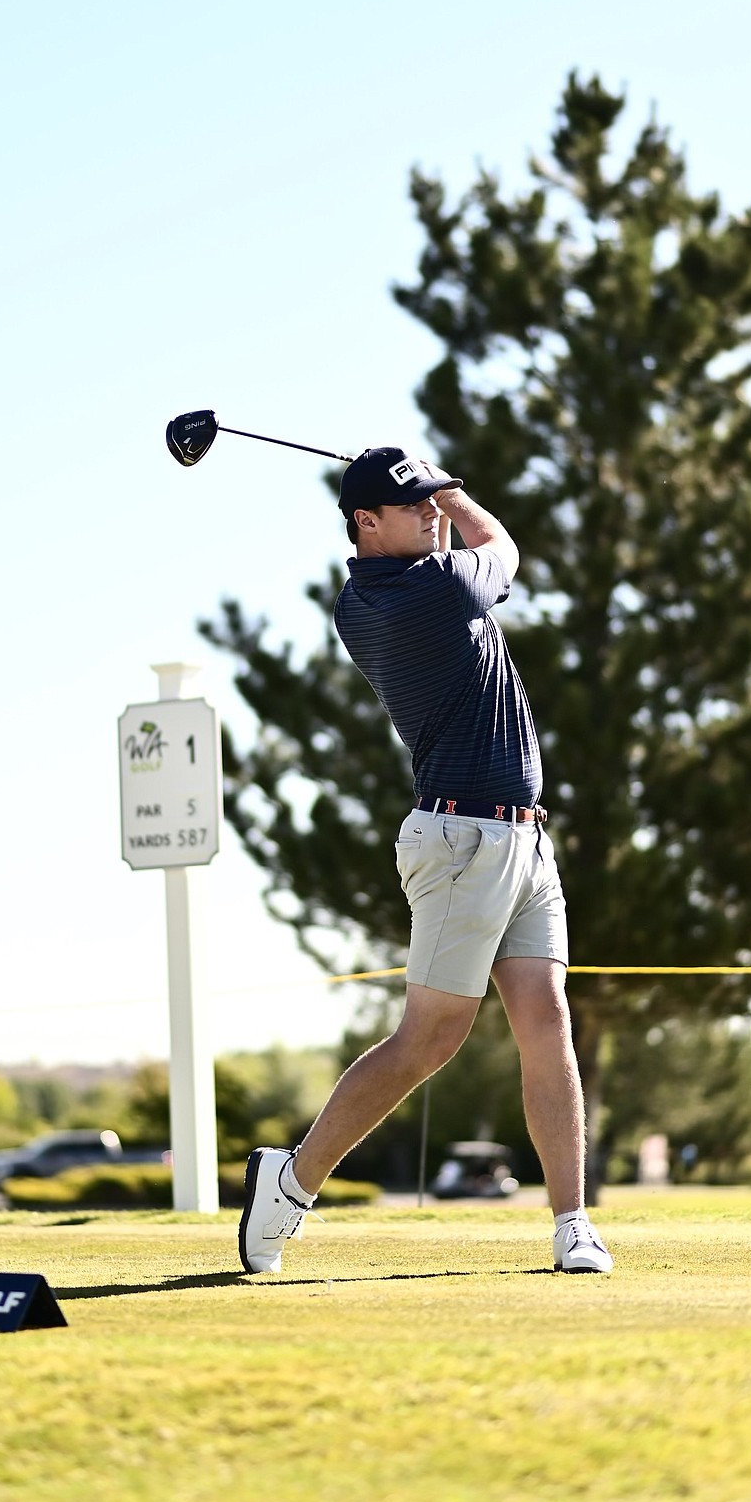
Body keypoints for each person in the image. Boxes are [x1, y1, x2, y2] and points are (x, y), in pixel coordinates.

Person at [238, 447, 612, 1276]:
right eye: (416, 505)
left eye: (434, 502)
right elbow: (505, 551)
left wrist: (424, 484)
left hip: (522, 837)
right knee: (429, 1040)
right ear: (366, 523)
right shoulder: (414, 592)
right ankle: (291, 1184)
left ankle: (572, 1222)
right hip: (460, 840)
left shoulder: (421, 575)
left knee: (546, 1017)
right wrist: (458, 486)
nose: (435, 513)